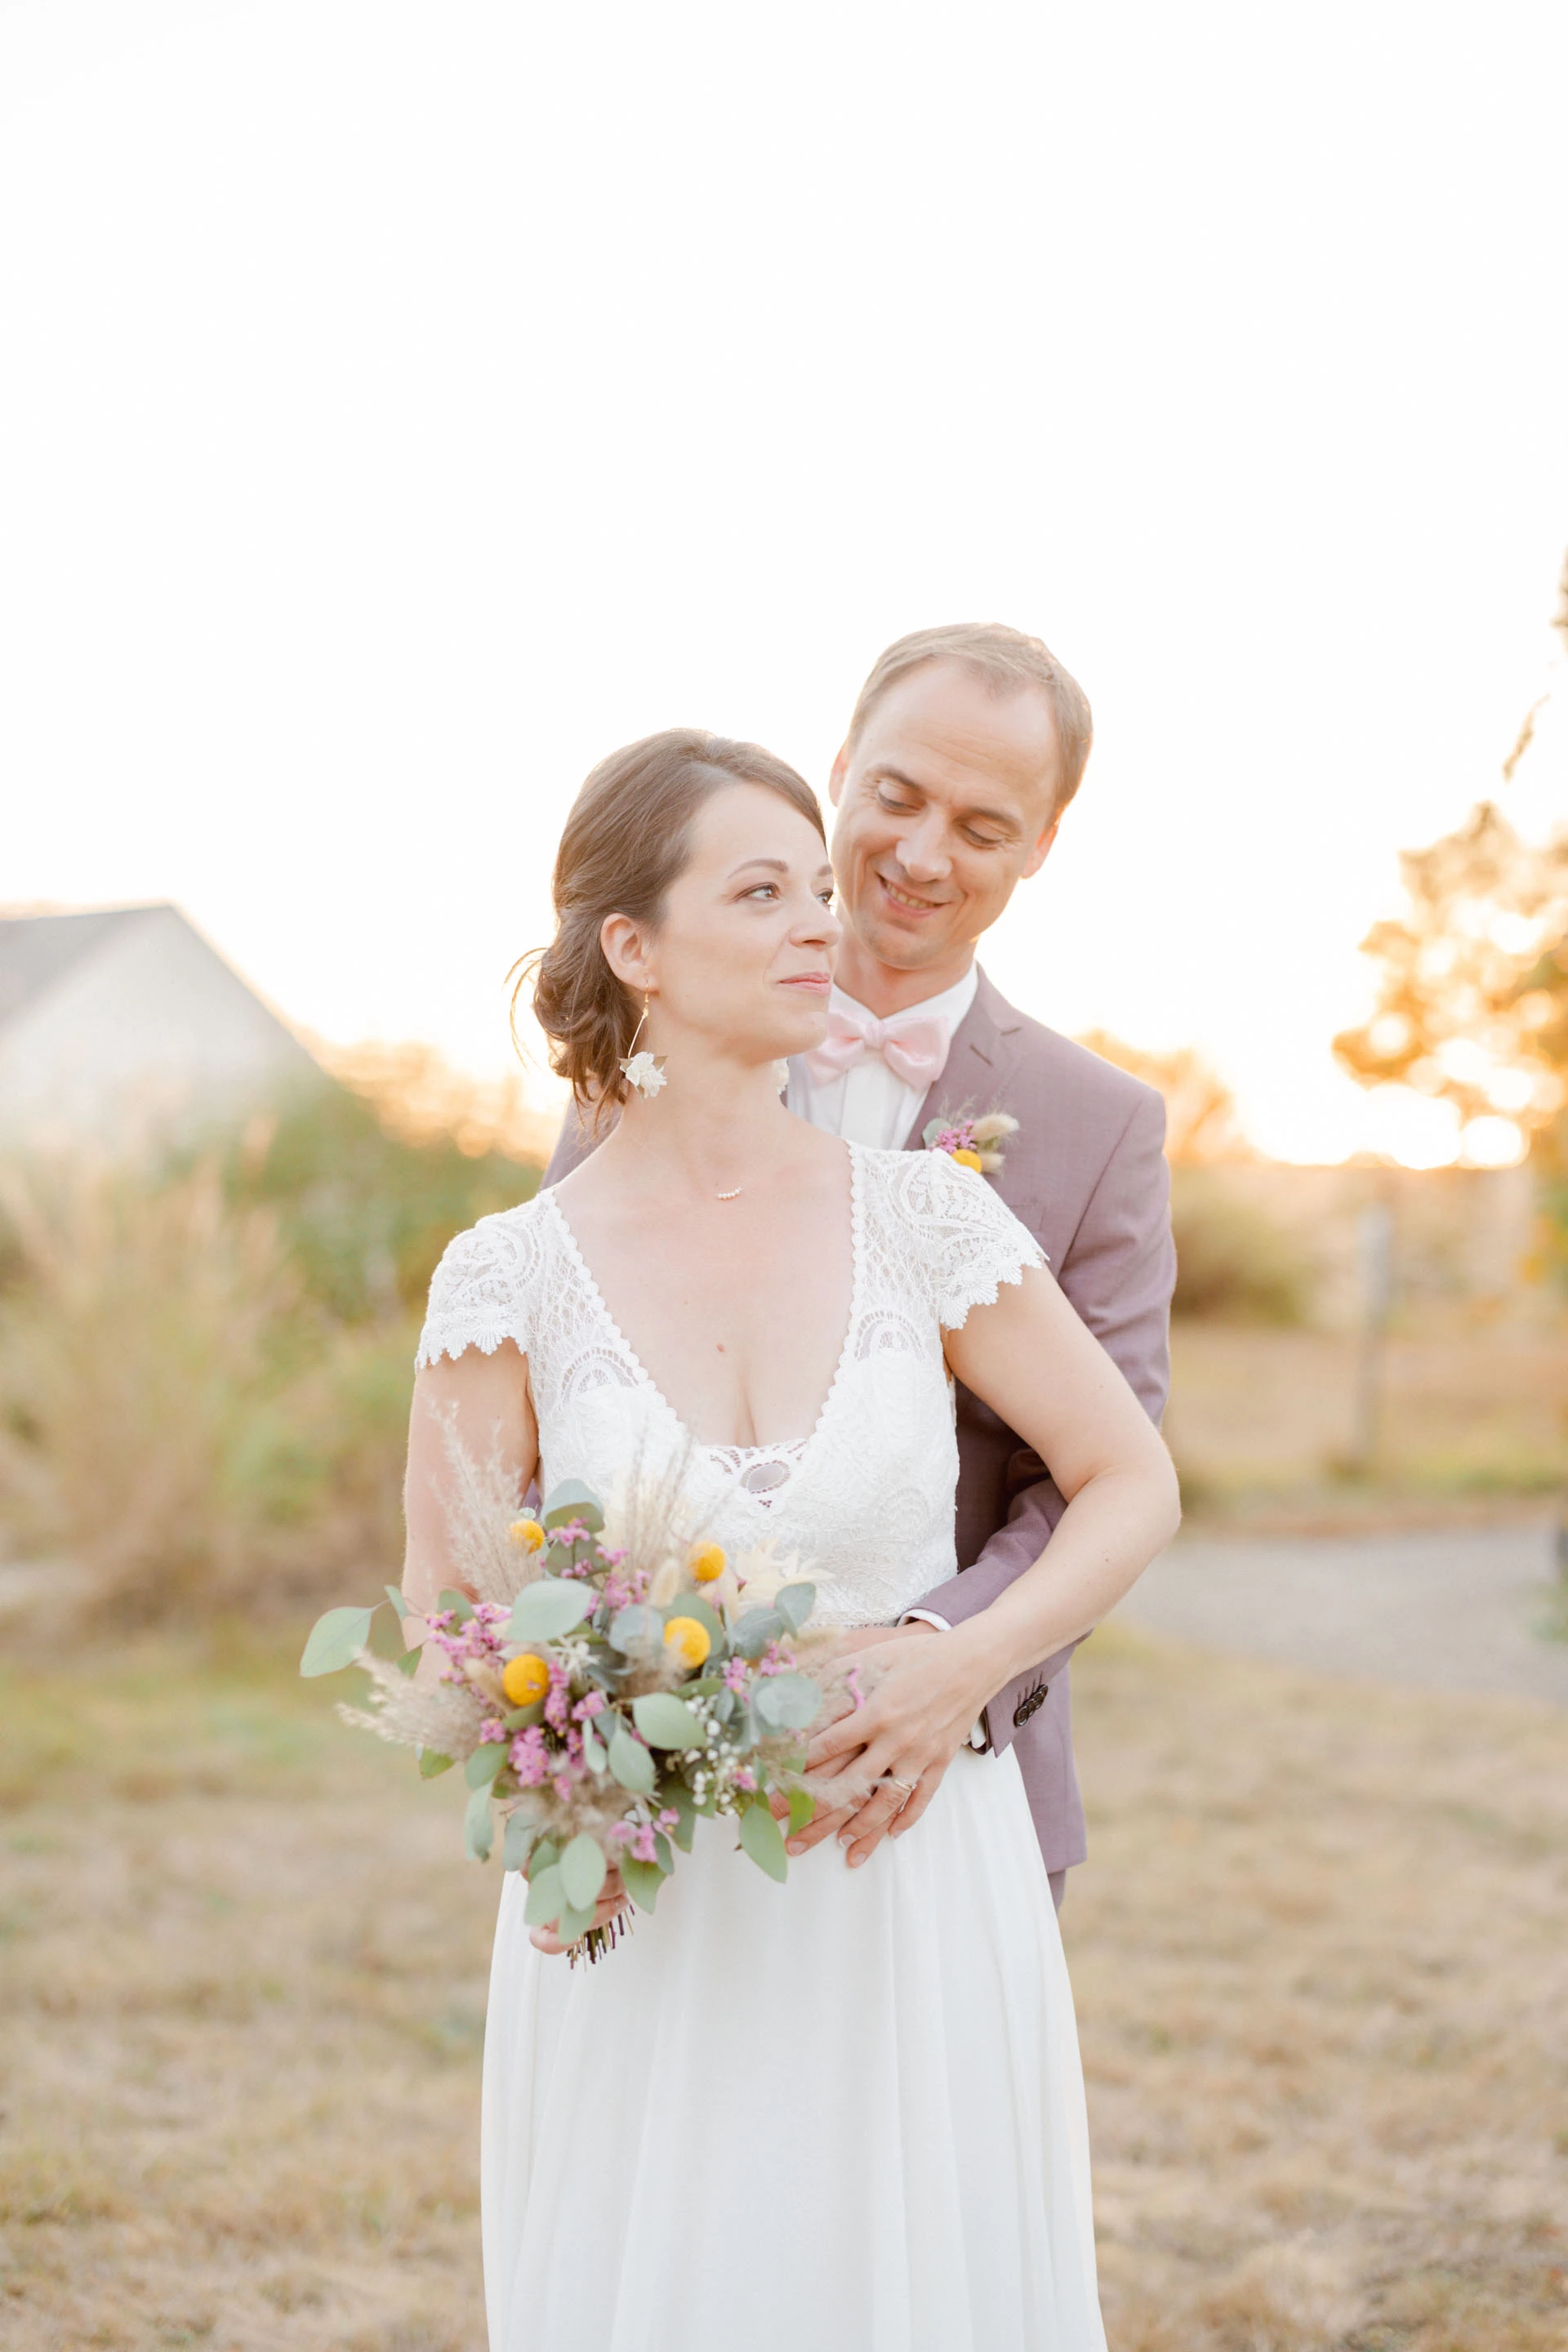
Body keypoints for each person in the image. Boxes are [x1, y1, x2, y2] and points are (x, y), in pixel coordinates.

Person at [403, 728, 1181, 2351]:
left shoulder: (928, 1218)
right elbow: (453, 1626)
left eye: (816, 888)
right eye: (763, 893)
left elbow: (1131, 1479)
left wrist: (957, 1665)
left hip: (915, 1882)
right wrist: (577, 1760)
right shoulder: (505, 1277)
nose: (820, 922)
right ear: (637, 949)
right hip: (652, 1917)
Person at [545, 625, 1178, 1905]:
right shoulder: (656, 1047)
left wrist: (945, 1660)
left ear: (1043, 845)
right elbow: (566, 1386)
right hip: (668, 1778)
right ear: (840, 765)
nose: (921, 854)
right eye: (896, 795)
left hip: (944, 1779)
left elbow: (1105, 1465)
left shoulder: (1101, 1125)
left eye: (984, 826)